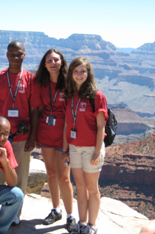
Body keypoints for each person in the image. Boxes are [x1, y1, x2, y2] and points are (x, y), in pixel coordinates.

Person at [0, 40, 41, 225]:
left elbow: (35, 111)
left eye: (19, 54)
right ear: (7, 55)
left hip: (22, 138)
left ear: (24, 55)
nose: (16, 57)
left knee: (20, 176)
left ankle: (15, 212)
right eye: (12, 54)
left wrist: (33, 137)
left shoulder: (30, 80)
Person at [63, 57, 108, 234]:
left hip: (91, 148)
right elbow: (67, 125)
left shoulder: (97, 96)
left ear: (88, 73)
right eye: (76, 71)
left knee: (92, 187)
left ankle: (92, 225)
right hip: (74, 148)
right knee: (80, 186)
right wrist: (65, 150)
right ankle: (81, 222)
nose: (79, 75)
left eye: (83, 71)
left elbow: (100, 126)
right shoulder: (70, 95)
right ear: (71, 74)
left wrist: (97, 152)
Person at [35, 49, 76, 231]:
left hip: (64, 136)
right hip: (45, 133)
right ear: (44, 64)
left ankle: (70, 215)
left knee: (64, 178)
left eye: (56, 60)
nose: (53, 62)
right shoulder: (40, 83)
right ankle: (55, 209)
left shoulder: (68, 83)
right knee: (51, 173)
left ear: (62, 62)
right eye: (49, 60)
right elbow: (37, 108)